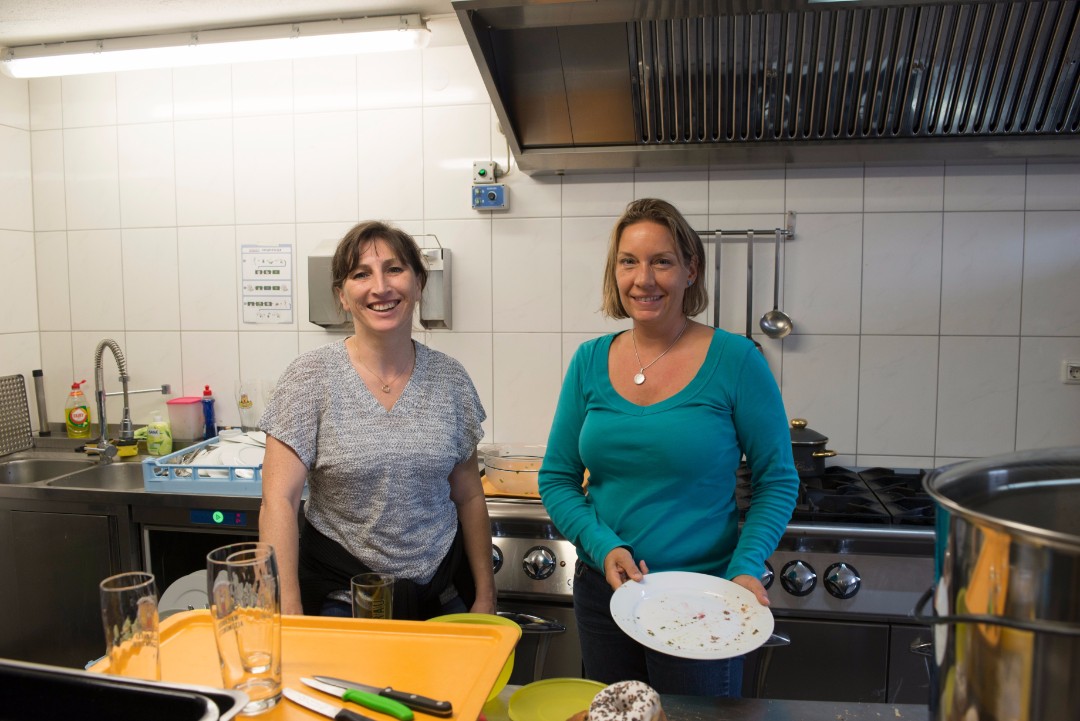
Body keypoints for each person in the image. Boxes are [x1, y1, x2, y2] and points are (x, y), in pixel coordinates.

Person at [538, 198, 799, 697]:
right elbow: (556, 478)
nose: (644, 279)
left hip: (702, 595)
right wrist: (603, 546)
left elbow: (777, 480)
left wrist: (746, 566)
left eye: (661, 261)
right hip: (606, 592)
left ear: (690, 270)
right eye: (629, 262)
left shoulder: (737, 359)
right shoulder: (589, 360)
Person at [259, 221, 496, 620]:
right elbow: (278, 501)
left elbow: (470, 496)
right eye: (361, 274)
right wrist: (289, 610)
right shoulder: (309, 378)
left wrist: (486, 595)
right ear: (342, 295)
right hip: (342, 598)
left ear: (418, 284)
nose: (380, 287)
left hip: (441, 595)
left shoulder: (451, 379)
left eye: (394, 269)